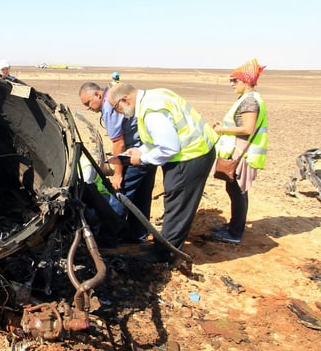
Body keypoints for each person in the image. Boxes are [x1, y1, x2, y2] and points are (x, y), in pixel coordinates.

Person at [108, 83, 219, 263]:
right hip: (193, 152)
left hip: (190, 156)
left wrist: (141, 160)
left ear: (124, 100)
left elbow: (168, 147)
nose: (118, 113)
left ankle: (166, 254)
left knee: (178, 203)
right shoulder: (156, 96)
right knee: (175, 202)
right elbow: (160, 139)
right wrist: (140, 151)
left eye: (116, 108)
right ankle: (164, 246)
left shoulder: (151, 112)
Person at [78, 82, 156, 243]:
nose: (88, 108)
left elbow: (118, 143)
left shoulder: (109, 106)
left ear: (98, 95)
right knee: (142, 196)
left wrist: (118, 174)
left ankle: (108, 238)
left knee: (120, 195)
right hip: (149, 151)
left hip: (134, 154)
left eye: (88, 103)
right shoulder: (114, 99)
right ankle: (137, 236)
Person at [211, 59, 268, 244]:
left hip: (243, 154)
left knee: (238, 192)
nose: (232, 84)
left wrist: (223, 130)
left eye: (235, 80)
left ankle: (235, 233)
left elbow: (247, 128)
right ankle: (233, 226)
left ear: (246, 81)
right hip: (239, 151)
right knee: (234, 189)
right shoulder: (247, 99)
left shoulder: (250, 101)